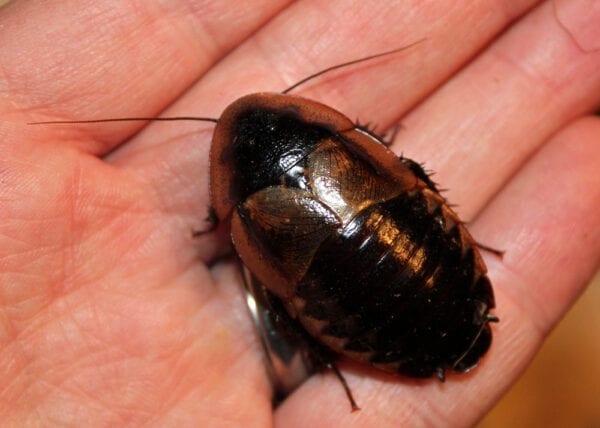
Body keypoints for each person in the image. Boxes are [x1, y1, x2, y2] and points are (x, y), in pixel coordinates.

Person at [1, 0, 598, 425]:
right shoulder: (335, 148)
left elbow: (289, 291)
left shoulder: (241, 214)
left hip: (383, 299)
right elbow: (407, 172)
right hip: (423, 264)